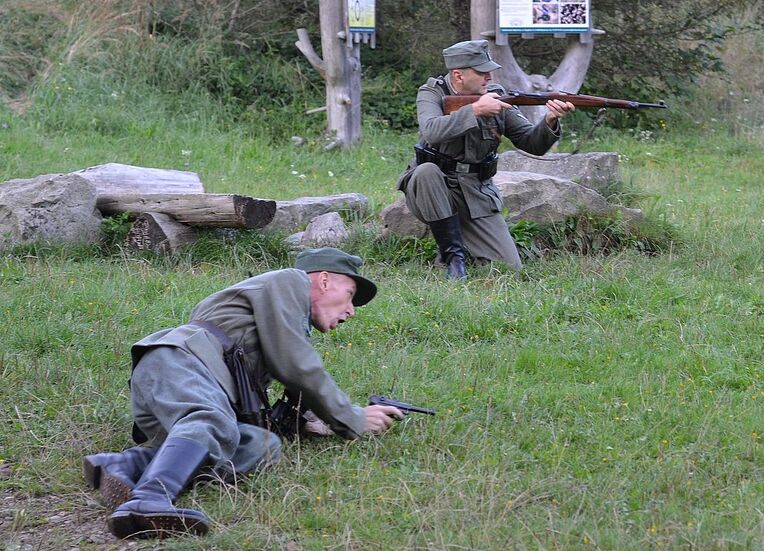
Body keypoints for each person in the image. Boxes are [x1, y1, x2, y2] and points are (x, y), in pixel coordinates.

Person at [83, 247, 402, 539]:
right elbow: (296, 364)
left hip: (182, 385)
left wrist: (312, 421)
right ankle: (149, 499)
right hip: (180, 363)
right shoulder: (290, 282)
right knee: (209, 420)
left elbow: (285, 370)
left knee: (260, 446)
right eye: (349, 295)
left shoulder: (275, 316)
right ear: (323, 281)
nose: (351, 311)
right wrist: (352, 418)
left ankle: (127, 464)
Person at [396, 39, 575, 278]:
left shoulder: (496, 96)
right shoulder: (432, 93)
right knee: (426, 171)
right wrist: (475, 111)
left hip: (475, 192)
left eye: (489, 71)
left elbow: (531, 142)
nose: (489, 77)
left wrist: (550, 120)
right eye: (482, 72)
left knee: (509, 269)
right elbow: (431, 130)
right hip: (433, 190)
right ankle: (453, 257)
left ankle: (465, 243)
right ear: (458, 76)